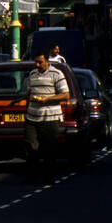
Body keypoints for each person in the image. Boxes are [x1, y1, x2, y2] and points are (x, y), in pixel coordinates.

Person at [24, 51, 70, 182]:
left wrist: (47, 99)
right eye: (36, 62)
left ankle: (48, 176)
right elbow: (29, 93)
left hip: (50, 117)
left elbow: (65, 95)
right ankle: (31, 176)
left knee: (49, 148)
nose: (37, 65)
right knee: (30, 146)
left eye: (40, 62)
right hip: (32, 117)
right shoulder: (32, 74)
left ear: (47, 62)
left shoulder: (57, 74)